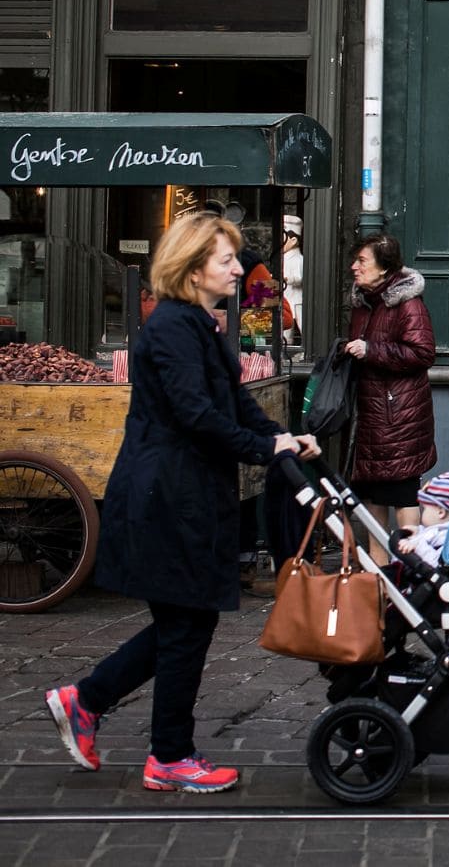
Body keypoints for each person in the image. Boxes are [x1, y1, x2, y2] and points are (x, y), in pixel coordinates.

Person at [43, 214, 321, 793]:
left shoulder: (197, 322)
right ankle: (166, 753)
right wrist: (263, 447)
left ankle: (86, 701)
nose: (239, 269)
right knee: (185, 625)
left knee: (184, 624)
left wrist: (283, 437)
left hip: (188, 494)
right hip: (167, 496)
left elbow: (235, 401)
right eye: (226, 261)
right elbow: (196, 415)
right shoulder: (172, 327)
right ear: (194, 269)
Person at [346, 233, 438, 562]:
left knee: (401, 492)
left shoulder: (407, 303)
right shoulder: (364, 302)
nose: (354, 267)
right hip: (370, 412)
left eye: (362, 261)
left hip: (398, 414)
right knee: (372, 495)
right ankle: (377, 578)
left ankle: (409, 570)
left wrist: (372, 350)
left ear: (384, 268)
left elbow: (423, 353)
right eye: (355, 260)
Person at [398, 471, 449, 568]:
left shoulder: (447, 539)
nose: (423, 512)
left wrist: (416, 545)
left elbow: (438, 566)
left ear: (441, 512)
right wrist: (417, 533)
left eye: (425, 508)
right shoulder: (436, 532)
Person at [281, 214, 305, 343]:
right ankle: (285, 350)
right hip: (285, 297)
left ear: (293, 240)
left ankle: (305, 349)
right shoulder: (283, 258)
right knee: (285, 327)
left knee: (302, 326)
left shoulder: (298, 259)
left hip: (296, 300)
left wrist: (286, 278)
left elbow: (300, 278)